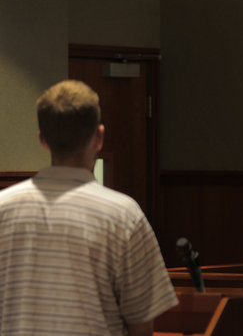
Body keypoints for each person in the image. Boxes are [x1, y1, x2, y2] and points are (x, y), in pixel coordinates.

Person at [0, 80, 178, 335]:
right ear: (99, 136)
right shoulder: (124, 216)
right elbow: (142, 325)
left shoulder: (2, 208)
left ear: (42, 139)